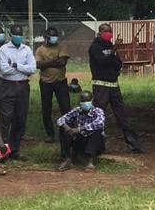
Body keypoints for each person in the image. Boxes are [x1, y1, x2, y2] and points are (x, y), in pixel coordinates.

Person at [89, 23, 144, 153]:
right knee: (99, 115)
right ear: (100, 33)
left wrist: (114, 56)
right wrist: (114, 50)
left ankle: (133, 144)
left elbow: (118, 63)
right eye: (105, 31)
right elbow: (102, 62)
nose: (108, 33)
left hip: (114, 85)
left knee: (122, 115)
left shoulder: (110, 46)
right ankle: (96, 146)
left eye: (110, 31)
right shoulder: (94, 47)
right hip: (101, 86)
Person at [0, 24, 37, 159]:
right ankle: (3, 150)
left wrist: (15, 65)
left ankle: (14, 149)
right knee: (6, 119)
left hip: (23, 87)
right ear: (10, 35)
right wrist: (23, 69)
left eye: (20, 34)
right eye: (16, 34)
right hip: (7, 87)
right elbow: (4, 70)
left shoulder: (26, 49)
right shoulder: (4, 49)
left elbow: (32, 68)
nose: (18, 36)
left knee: (20, 119)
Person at [35, 26, 71, 146]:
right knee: (46, 109)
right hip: (45, 83)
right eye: (51, 35)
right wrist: (54, 61)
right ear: (46, 37)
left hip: (61, 82)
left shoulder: (62, 46)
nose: (54, 37)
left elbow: (62, 62)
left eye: (55, 35)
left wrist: (46, 63)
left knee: (65, 107)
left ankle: (68, 131)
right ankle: (50, 134)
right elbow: (38, 65)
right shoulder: (40, 50)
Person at [55, 90, 106, 172]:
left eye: (87, 101)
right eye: (83, 101)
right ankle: (67, 159)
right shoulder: (77, 110)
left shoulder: (98, 111)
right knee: (63, 128)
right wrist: (67, 128)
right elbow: (61, 119)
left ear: (92, 100)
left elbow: (99, 123)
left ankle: (90, 162)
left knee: (98, 130)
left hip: (96, 144)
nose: (85, 103)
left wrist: (79, 129)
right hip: (81, 141)